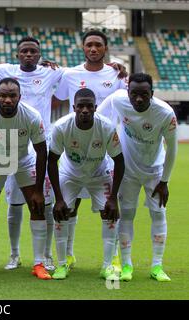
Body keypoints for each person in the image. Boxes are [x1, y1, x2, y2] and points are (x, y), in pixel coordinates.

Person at [52, 29, 128, 270]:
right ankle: (68, 255)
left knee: (109, 209)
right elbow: (56, 95)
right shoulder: (70, 74)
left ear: (105, 48)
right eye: (89, 45)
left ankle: (112, 257)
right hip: (75, 144)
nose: (93, 49)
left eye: (98, 45)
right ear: (83, 48)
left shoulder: (117, 74)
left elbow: (133, 94)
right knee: (72, 206)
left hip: (105, 144)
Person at [97, 73, 178, 282]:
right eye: (134, 94)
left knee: (158, 215)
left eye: (144, 94)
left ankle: (157, 266)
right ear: (128, 93)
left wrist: (165, 181)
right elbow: (98, 117)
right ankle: (126, 265)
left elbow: (172, 149)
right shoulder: (117, 100)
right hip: (128, 172)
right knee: (127, 215)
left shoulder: (165, 113)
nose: (139, 99)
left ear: (152, 94)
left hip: (155, 173)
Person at [0, 77, 50, 280]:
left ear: (19, 97)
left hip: (24, 160)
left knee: (37, 207)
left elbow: (42, 152)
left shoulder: (32, 116)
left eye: (12, 96)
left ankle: (38, 263)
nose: (8, 100)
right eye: (3, 96)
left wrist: (39, 190)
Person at [48, 88, 124, 280]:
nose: (84, 110)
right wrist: (58, 198)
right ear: (73, 107)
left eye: (89, 106)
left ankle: (108, 266)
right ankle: (62, 265)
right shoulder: (61, 127)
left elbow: (120, 161)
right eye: (80, 106)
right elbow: (51, 160)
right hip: (70, 173)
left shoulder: (106, 127)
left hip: (99, 173)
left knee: (109, 214)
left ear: (95, 108)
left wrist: (113, 198)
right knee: (62, 213)